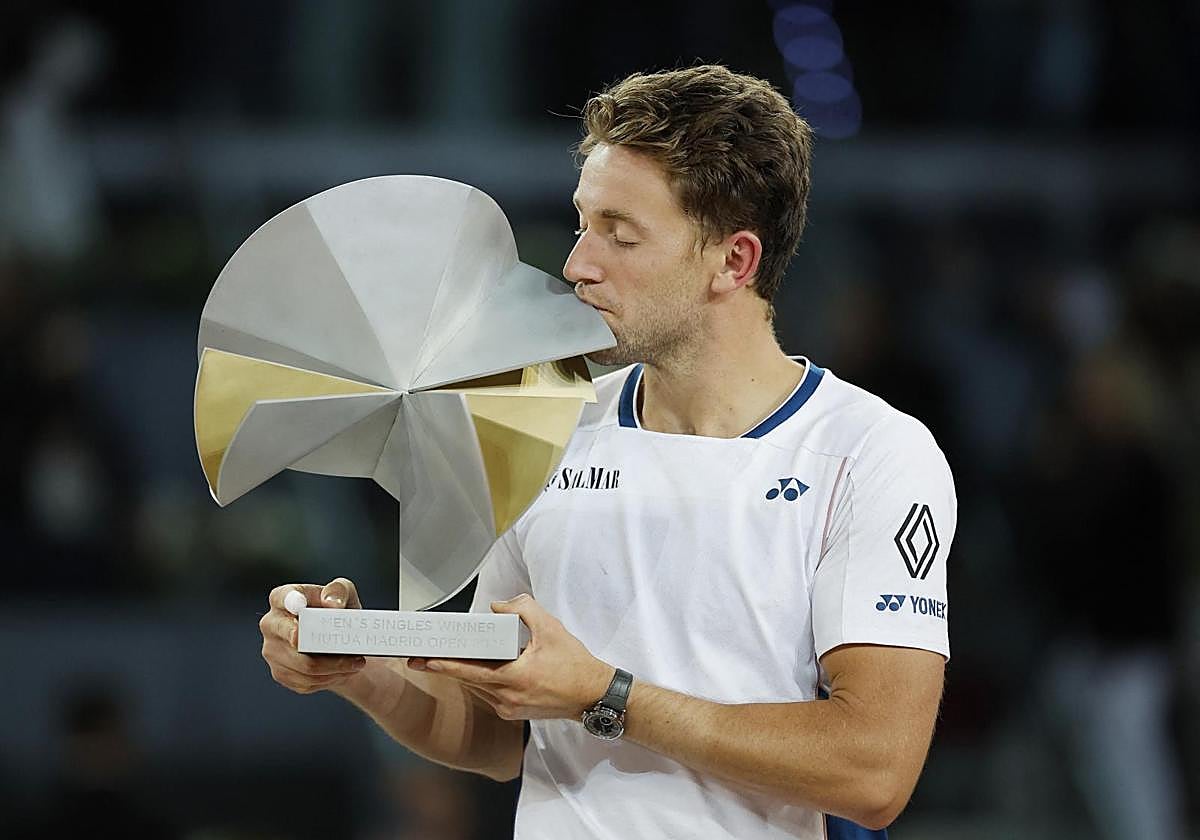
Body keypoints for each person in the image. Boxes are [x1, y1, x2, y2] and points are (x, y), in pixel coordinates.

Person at [259, 64, 955, 839]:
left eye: (621, 235)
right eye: (583, 223)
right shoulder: (545, 428)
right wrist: (361, 671)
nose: (578, 265)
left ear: (735, 262)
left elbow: (873, 771)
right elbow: (498, 732)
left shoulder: (869, 454)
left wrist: (605, 694)